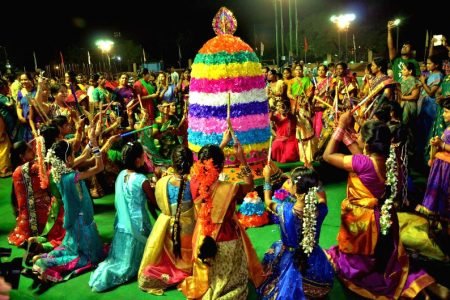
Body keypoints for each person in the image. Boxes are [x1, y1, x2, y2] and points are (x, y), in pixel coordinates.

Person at [323, 112, 435, 299]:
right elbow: (361, 156)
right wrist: (346, 132)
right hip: (385, 217)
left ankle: (361, 271)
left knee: (361, 258)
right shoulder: (392, 160)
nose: (356, 138)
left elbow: (328, 155)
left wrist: (341, 127)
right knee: (379, 252)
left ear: (367, 144)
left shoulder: (363, 163)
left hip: (364, 224)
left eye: (360, 136)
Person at [179, 132, 264, 299]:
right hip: (226, 241)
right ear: (222, 164)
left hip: (202, 237)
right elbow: (249, 185)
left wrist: (222, 145)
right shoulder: (230, 189)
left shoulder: (194, 181)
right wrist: (241, 159)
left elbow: (208, 165)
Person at [32, 126, 105, 282]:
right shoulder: (73, 176)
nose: (75, 156)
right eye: (72, 154)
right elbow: (99, 167)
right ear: (68, 159)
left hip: (73, 219)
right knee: (86, 257)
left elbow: (85, 154)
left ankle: (45, 256)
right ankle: (44, 262)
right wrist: (96, 147)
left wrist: (92, 140)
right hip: (81, 220)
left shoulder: (59, 172)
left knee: (71, 247)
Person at [257, 164, 334, 299]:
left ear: (296, 190)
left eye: (290, 182)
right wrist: (314, 177)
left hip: (290, 257)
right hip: (313, 256)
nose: (287, 183)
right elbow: (322, 198)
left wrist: (267, 179)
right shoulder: (319, 210)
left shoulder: (284, 210)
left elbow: (268, 201)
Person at [89, 141, 154, 292]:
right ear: (138, 160)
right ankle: (110, 275)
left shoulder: (121, 175)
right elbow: (153, 200)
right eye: (143, 156)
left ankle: (107, 271)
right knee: (128, 266)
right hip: (138, 225)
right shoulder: (141, 180)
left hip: (123, 224)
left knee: (117, 260)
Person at [138, 145, 194, 294]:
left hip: (170, 230)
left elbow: (161, 207)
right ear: (191, 163)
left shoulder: (163, 183)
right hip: (191, 232)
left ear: (172, 163)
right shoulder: (194, 183)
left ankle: (173, 269)